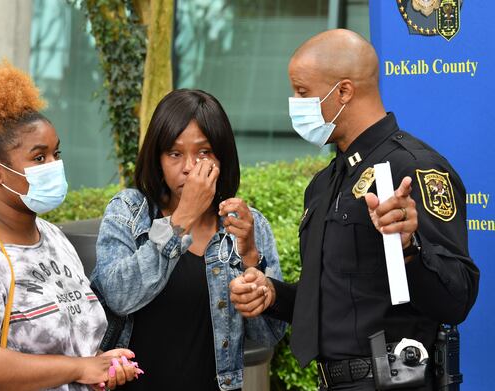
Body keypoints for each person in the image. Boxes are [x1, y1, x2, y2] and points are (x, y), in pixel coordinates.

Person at [229, 29, 479, 390]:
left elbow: (458, 299)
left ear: (343, 91)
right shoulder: (324, 183)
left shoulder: (414, 168)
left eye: (302, 92)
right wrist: (271, 293)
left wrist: (411, 248)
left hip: (396, 380)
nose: (295, 104)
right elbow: (335, 298)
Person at [0, 60, 140, 391]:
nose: (54, 165)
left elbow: (75, 353)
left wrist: (101, 366)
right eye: (39, 158)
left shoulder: (52, 237)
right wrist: (78, 368)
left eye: (55, 153)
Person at [93, 89, 286, 391]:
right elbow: (119, 296)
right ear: (157, 159)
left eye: (204, 152)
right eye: (174, 153)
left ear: (222, 156)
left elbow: (268, 336)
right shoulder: (130, 211)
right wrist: (181, 219)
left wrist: (250, 257)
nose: (189, 166)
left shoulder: (247, 223)